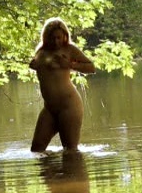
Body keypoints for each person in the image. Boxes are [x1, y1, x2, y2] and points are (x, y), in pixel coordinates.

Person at [29, 17, 95, 152]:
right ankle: (53, 166)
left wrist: (70, 65)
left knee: (70, 150)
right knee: (37, 149)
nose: (56, 41)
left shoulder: (69, 49)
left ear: (65, 36)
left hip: (69, 106)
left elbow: (91, 68)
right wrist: (34, 66)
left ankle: (73, 167)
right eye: (52, 38)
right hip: (49, 108)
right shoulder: (40, 51)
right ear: (46, 37)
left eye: (59, 37)